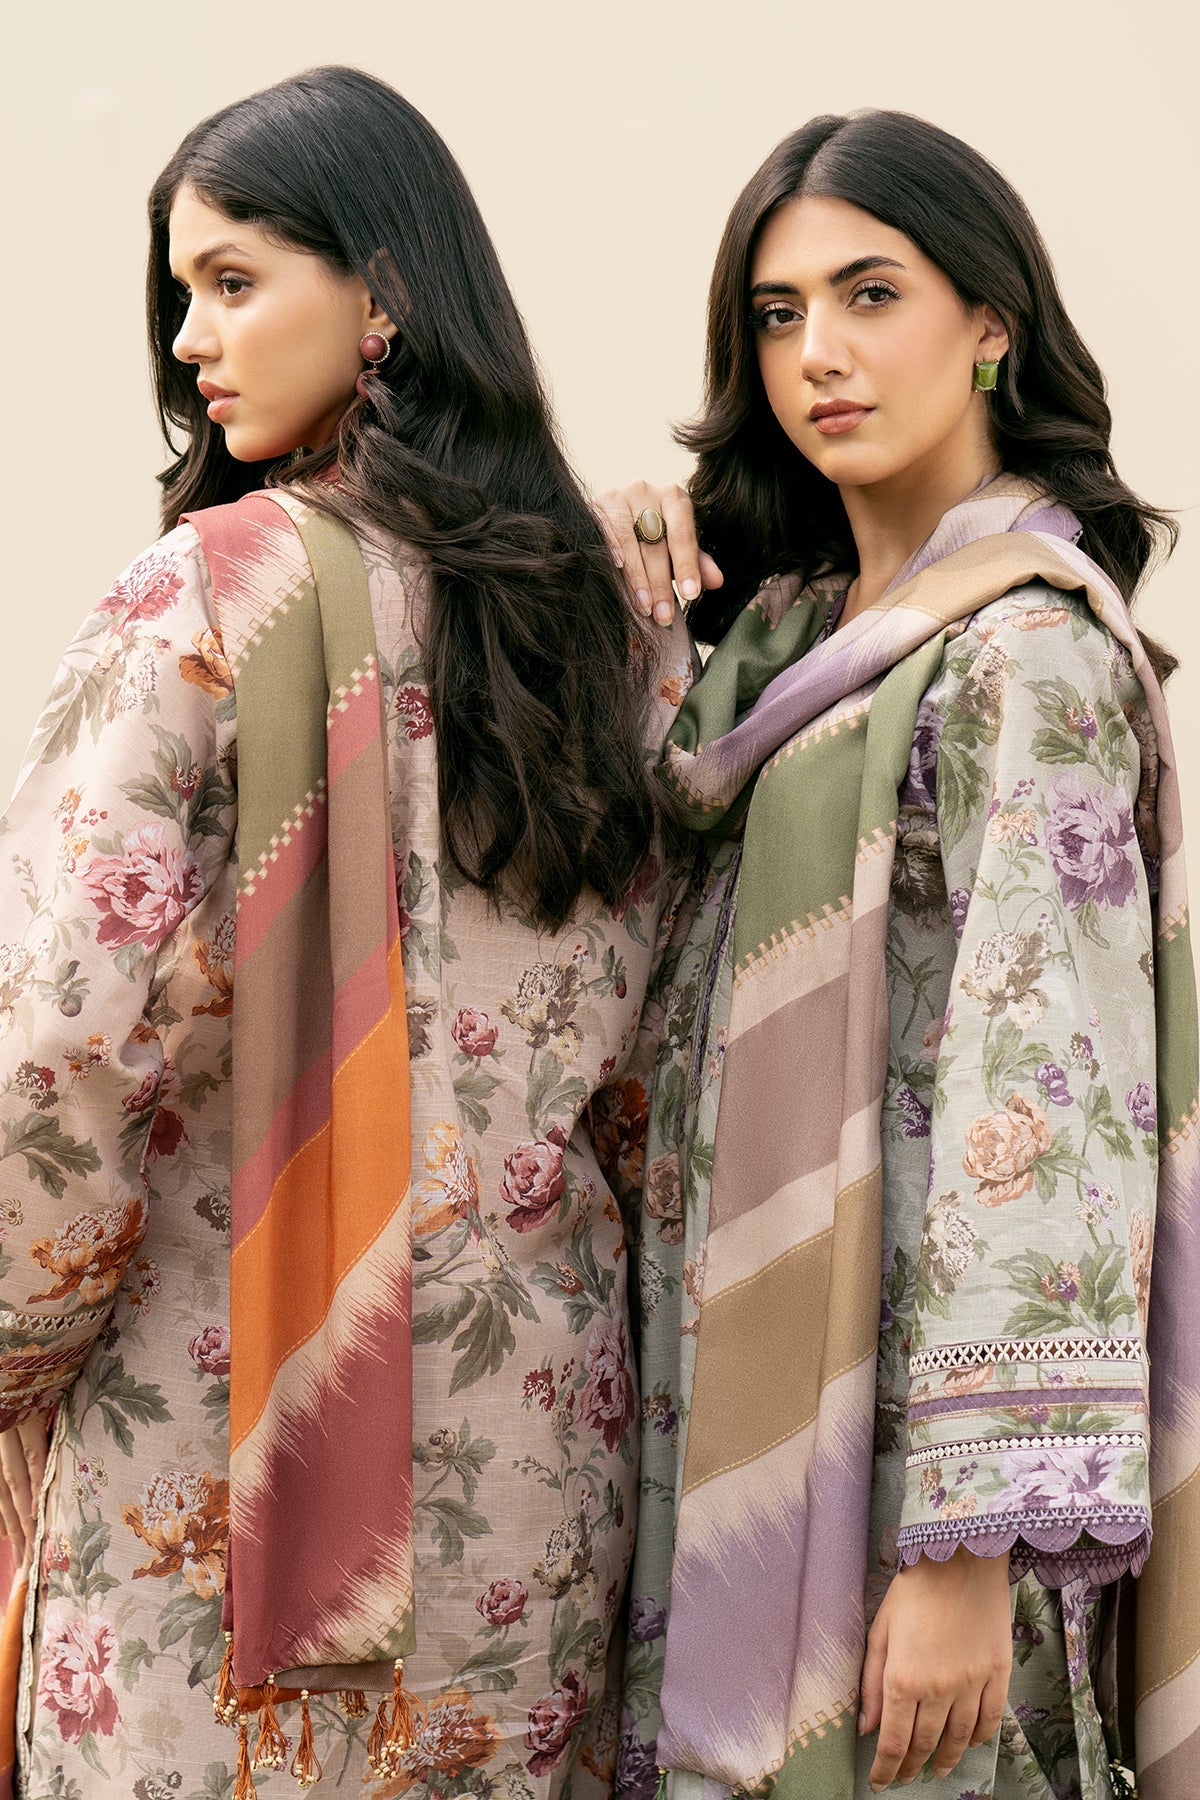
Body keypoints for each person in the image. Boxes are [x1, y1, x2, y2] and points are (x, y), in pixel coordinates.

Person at [0, 66, 695, 1800]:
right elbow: (652, 1063)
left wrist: (14, 1359)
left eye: (233, 281)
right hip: (538, 1457)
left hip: (224, 1445)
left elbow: (58, 1046)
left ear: (381, 293)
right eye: (182, 292)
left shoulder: (206, 600)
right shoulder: (610, 625)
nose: (188, 338)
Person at [597, 111, 1199, 1800]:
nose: (819, 354)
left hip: (917, 1458)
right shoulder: (783, 645)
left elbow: (1054, 1099)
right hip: (729, 1389)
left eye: (872, 294)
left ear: (992, 323)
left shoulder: (1024, 654)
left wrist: (967, 1555)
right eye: (778, 314)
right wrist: (636, 583)